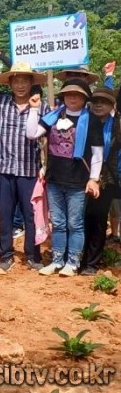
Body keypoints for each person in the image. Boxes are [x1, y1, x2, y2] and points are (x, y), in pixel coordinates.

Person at [0, 62, 49, 274]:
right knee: (5, 214)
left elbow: (48, 138)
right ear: (9, 83)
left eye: (24, 80)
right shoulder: (1, 102)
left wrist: (46, 166)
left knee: (31, 215)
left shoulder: (41, 106)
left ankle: (33, 255)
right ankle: (5, 254)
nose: (20, 85)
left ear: (31, 83)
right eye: (16, 80)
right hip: (3, 168)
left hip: (29, 169)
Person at [27, 79, 103, 276]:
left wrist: (93, 178)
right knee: (59, 223)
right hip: (54, 179)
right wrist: (34, 110)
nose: (72, 97)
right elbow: (32, 133)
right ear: (63, 96)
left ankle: (73, 262)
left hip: (78, 181)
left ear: (85, 98)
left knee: (75, 223)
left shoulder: (91, 120)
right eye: (68, 94)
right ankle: (57, 260)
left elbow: (97, 153)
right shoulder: (53, 116)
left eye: (77, 94)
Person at [80, 87, 119, 275]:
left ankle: (92, 262)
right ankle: (87, 260)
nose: (99, 105)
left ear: (112, 105)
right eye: (95, 101)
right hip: (92, 178)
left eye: (104, 102)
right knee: (90, 218)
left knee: (98, 219)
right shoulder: (86, 122)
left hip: (112, 177)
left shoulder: (118, 124)